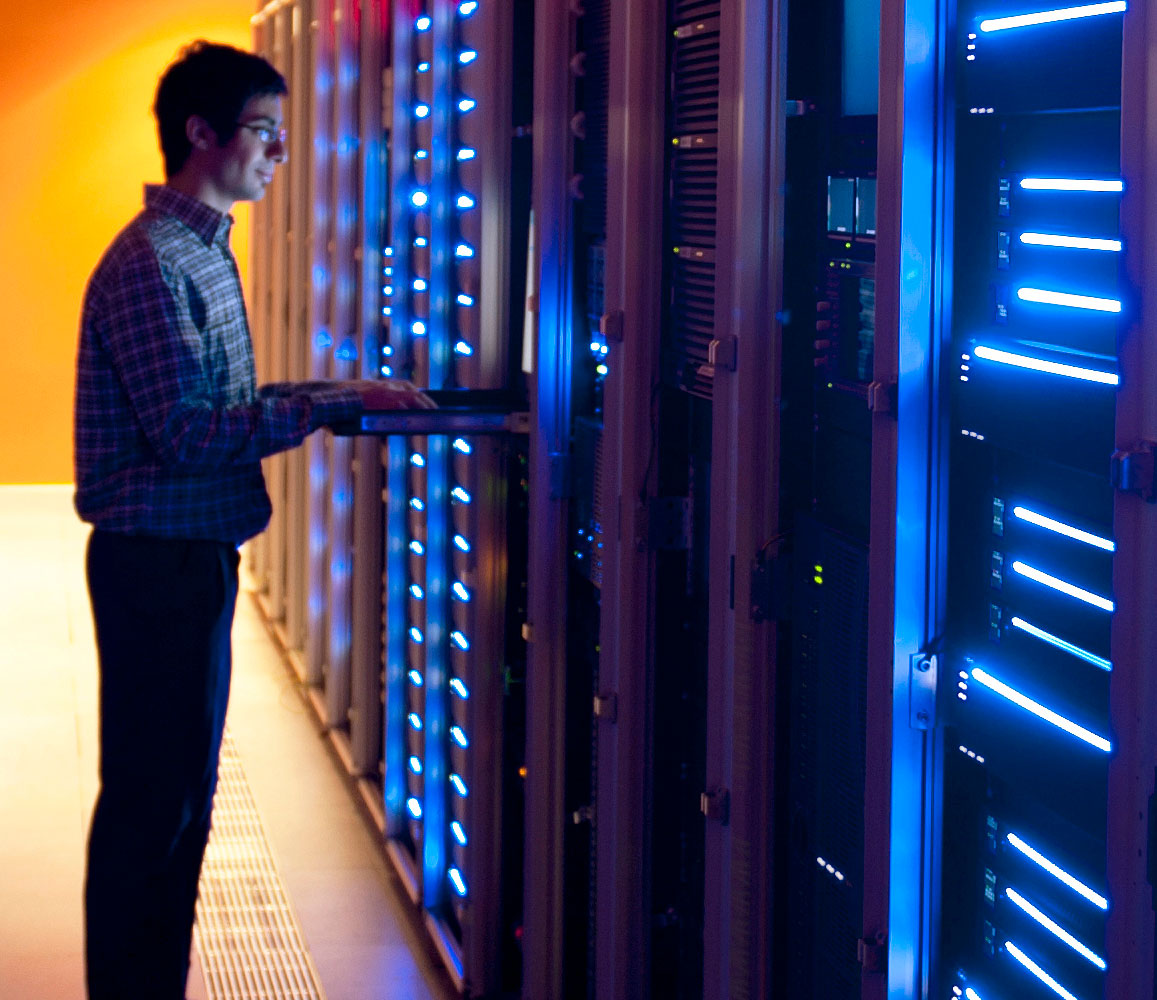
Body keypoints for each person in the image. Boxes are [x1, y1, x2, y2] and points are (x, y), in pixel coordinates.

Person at [72, 40, 430, 1000]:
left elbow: (216, 399)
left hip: (186, 558)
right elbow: (188, 435)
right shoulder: (154, 263)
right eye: (266, 133)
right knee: (156, 805)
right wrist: (316, 410)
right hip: (158, 564)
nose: (279, 154)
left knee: (181, 800)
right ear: (202, 133)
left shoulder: (198, 249)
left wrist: (337, 391)